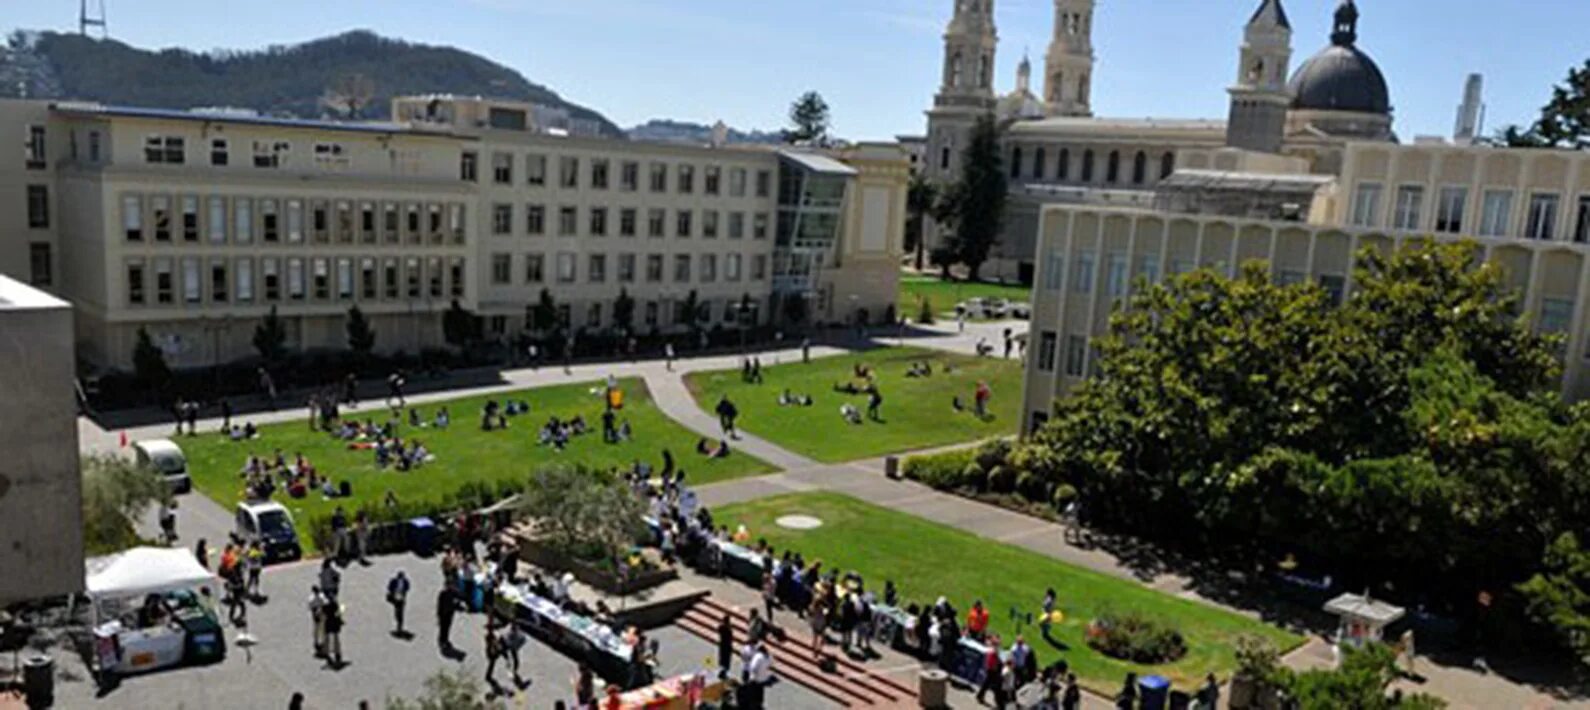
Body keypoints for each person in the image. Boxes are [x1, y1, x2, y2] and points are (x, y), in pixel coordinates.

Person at [976, 637, 1001, 705]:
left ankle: (980, 696)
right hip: (991, 670)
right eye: (998, 644)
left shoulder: (994, 651)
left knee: (987, 684)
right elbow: (990, 661)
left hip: (992, 670)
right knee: (989, 685)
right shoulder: (993, 651)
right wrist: (993, 666)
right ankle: (980, 696)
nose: (999, 646)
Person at [436, 585, 460, 653]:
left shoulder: (454, 592)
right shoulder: (443, 593)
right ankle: (442, 640)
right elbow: (439, 604)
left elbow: (458, 599)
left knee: (447, 627)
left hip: (450, 613)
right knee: (443, 628)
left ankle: (446, 639)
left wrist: (457, 605)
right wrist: (438, 614)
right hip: (443, 613)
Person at [387, 570, 411, 635]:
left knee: (400, 611)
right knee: (397, 611)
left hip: (401, 597)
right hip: (396, 597)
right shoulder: (394, 581)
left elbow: (407, 587)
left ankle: (399, 624)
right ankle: (399, 623)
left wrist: (403, 593)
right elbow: (389, 587)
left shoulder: (405, 581)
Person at [308, 585, 329, 658]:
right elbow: (326, 603)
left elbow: (311, 608)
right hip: (321, 615)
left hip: (317, 615)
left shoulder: (311, 598)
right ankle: (322, 642)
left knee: (316, 629)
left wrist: (315, 614)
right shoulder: (321, 596)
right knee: (322, 629)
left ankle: (316, 642)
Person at [323, 599, 345, 667]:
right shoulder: (336, 606)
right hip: (335, 623)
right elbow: (339, 613)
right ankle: (337, 654)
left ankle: (326, 652)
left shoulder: (325, 606)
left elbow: (321, 613)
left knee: (327, 639)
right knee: (336, 639)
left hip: (328, 623)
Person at [717, 614, 735, 679]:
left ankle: (722, 672)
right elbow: (730, 636)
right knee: (726, 660)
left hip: (722, 644)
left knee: (722, 659)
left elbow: (718, 629)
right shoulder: (727, 627)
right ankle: (723, 673)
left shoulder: (721, 626)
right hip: (727, 645)